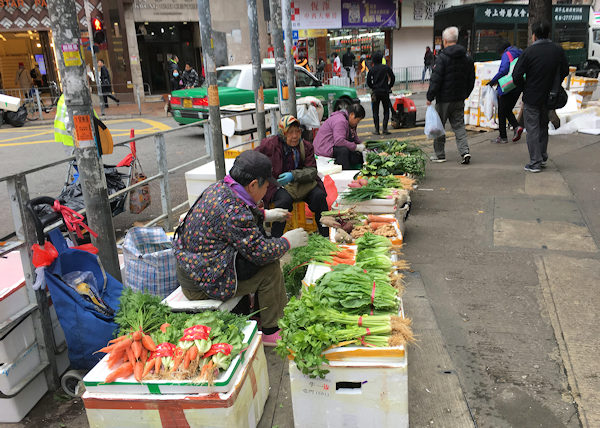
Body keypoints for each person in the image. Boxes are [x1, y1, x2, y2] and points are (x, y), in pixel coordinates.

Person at [174, 150, 309, 346]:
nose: (266, 192)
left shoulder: (221, 188)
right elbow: (261, 251)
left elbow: (238, 217)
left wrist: (265, 214)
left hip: (197, 267)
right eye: (266, 186)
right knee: (269, 267)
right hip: (202, 282)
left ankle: (259, 313)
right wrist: (288, 241)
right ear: (253, 184)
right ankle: (271, 330)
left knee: (257, 255)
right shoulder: (232, 211)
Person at [256, 115, 329, 238]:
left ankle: (325, 235)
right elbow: (254, 158)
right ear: (282, 133)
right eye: (290, 132)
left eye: (297, 131)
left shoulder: (306, 146)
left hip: (302, 184)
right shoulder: (270, 145)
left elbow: (312, 171)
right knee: (284, 202)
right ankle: (276, 239)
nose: (294, 136)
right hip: (278, 185)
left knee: (319, 196)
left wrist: (293, 175)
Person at [513, 21, 569, 173]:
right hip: (550, 96)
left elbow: (516, 75)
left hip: (532, 95)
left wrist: (525, 86)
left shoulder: (529, 52)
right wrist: (555, 84)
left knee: (532, 129)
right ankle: (542, 157)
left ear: (534, 35)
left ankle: (535, 162)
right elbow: (565, 70)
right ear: (548, 34)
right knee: (543, 126)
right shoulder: (557, 50)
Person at [426, 26, 475, 165]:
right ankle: (465, 151)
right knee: (459, 126)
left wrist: (430, 97)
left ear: (445, 41)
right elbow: (472, 79)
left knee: (439, 127)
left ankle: (440, 155)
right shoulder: (467, 57)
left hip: (444, 100)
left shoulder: (442, 58)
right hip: (459, 98)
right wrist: (466, 94)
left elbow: (436, 79)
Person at [487, 40, 523, 144]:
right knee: (506, 109)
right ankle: (516, 128)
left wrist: (493, 81)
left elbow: (503, 70)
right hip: (518, 85)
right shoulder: (520, 52)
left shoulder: (507, 54)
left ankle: (504, 136)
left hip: (508, 86)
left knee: (502, 111)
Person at [313, 103, 366, 170]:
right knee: (344, 151)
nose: (357, 123)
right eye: (358, 121)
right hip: (323, 148)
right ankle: (345, 173)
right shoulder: (340, 121)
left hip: (332, 145)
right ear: (352, 115)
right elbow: (339, 141)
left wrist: (361, 144)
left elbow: (353, 136)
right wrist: (356, 147)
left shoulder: (348, 121)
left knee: (355, 153)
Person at [367, 51, 395, 135]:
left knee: (375, 111)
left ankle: (376, 130)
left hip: (375, 92)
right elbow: (392, 77)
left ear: (373, 60)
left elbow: (368, 81)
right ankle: (385, 128)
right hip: (385, 91)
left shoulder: (372, 69)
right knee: (386, 110)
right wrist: (389, 86)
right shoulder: (386, 68)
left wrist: (373, 87)